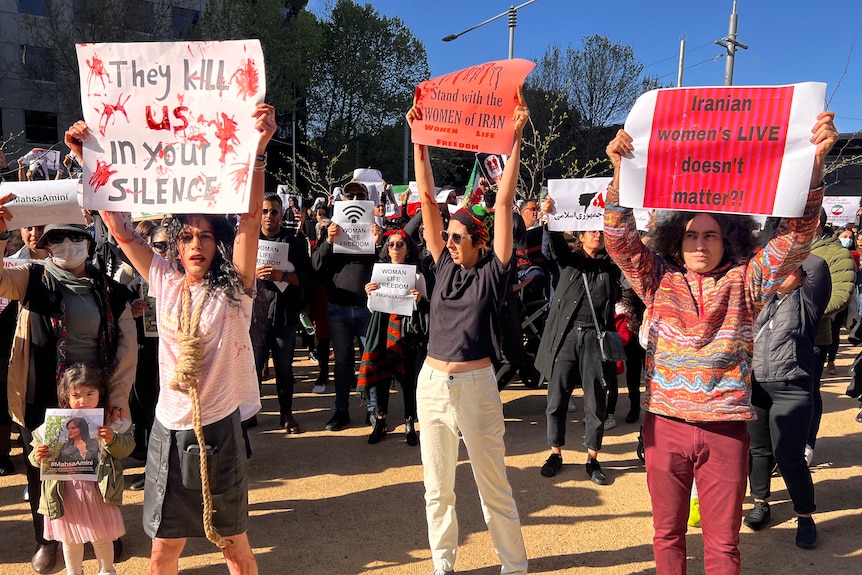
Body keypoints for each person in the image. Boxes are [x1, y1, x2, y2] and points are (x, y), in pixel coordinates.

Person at [603, 111, 838, 574]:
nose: (700, 242)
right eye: (691, 233)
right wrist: (619, 173)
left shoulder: (747, 281)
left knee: (723, 545)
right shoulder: (657, 278)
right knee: (667, 536)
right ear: (677, 237)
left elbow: (797, 238)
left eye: (710, 233)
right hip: (665, 427)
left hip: (726, 432)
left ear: (727, 237)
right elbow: (618, 238)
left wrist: (814, 166)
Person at [65, 102, 276, 575]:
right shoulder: (162, 280)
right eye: (187, 237)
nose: (197, 244)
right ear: (176, 245)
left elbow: (246, 222)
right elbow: (119, 229)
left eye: (205, 236)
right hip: (166, 429)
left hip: (217, 431)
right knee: (163, 552)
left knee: (234, 549)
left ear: (216, 245)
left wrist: (258, 151)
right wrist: (88, 160)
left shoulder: (235, 290)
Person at [406, 89, 530, 575]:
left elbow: (502, 204)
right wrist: (419, 142)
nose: (449, 242)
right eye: (447, 237)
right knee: (437, 487)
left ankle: (513, 564)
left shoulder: (493, 272)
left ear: (477, 242)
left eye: (459, 238)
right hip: (432, 386)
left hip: (478, 388)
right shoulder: (441, 266)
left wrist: (515, 138)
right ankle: (444, 566)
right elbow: (427, 200)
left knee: (490, 482)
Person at [0, 219, 137, 574]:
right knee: (44, 468)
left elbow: (126, 350)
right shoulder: (31, 278)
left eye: (76, 237)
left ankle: (105, 531)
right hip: (43, 394)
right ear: (46, 246)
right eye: (57, 239)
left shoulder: (110, 290)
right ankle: (48, 540)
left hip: (94, 397)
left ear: (89, 244)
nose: (68, 244)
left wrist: (117, 398)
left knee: (101, 464)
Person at [744, 254, 830, 548]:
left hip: (791, 388)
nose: (779, 272)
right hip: (756, 388)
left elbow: (817, 266)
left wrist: (795, 241)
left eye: (788, 267)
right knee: (758, 452)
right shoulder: (762, 300)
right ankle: (761, 503)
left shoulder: (808, 300)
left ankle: (805, 516)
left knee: (789, 457)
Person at [534, 220, 620, 485]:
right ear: (580, 236)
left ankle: (592, 459)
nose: (597, 234)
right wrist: (550, 221)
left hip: (595, 340)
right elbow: (557, 245)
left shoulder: (611, 266)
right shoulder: (569, 262)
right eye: (591, 230)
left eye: (600, 231)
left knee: (596, 400)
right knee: (557, 398)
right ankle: (555, 453)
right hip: (566, 336)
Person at [30, 362, 134, 575]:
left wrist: (113, 439)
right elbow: (36, 454)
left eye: (89, 393)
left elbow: (126, 449)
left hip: (98, 492)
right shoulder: (54, 424)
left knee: (102, 536)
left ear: (100, 393)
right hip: (65, 493)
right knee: (69, 540)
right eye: (76, 394)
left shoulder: (110, 421)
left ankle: (106, 570)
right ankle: (74, 571)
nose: (83, 400)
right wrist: (37, 456)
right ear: (66, 396)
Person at [311, 181, 384, 431]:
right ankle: (341, 410)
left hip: (368, 309)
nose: (354, 198)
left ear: (367, 198)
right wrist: (329, 242)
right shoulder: (332, 229)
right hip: (338, 309)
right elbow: (316, 267)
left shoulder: (376, 230)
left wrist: (380, 243)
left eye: (360, 195)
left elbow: (388, 266)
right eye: (350, 195)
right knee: (342, 363)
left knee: (371, 360)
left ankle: (373, 411)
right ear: (343, 199)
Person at [358, 229, 428, 446]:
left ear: (408, 250)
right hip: (381, 331)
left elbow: (426, 305)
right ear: (386, 249)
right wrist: (370, 292)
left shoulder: (416, 275)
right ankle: (380, 421)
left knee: (408, 380)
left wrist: (420, 299)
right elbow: (372, 308)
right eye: (391, 244)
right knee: (381, 377)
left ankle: (409, 423)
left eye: (400, 245)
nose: (395, 248)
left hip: (406, 333)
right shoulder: (378, 272)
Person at [250, 192, 312, 433]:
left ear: (281, 214)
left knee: (284, 368)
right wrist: (251, 274)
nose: (268, 216)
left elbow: (307, 277)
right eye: (264, 211)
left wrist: (283, 276)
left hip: (284, 315)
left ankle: (286, 414)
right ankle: (251, 413)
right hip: (255, 316)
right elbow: (235, 273)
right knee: (253, 368)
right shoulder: (249, 242)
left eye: (273, 211)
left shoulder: (294, 243)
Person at [807, 209, 855, 463]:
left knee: (808, 393)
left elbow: (839, 297)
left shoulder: (838, 254)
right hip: (773, 338)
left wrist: (797, 313)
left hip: (813, 338)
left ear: (814, 222)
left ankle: (805, 444)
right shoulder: (783, 248)